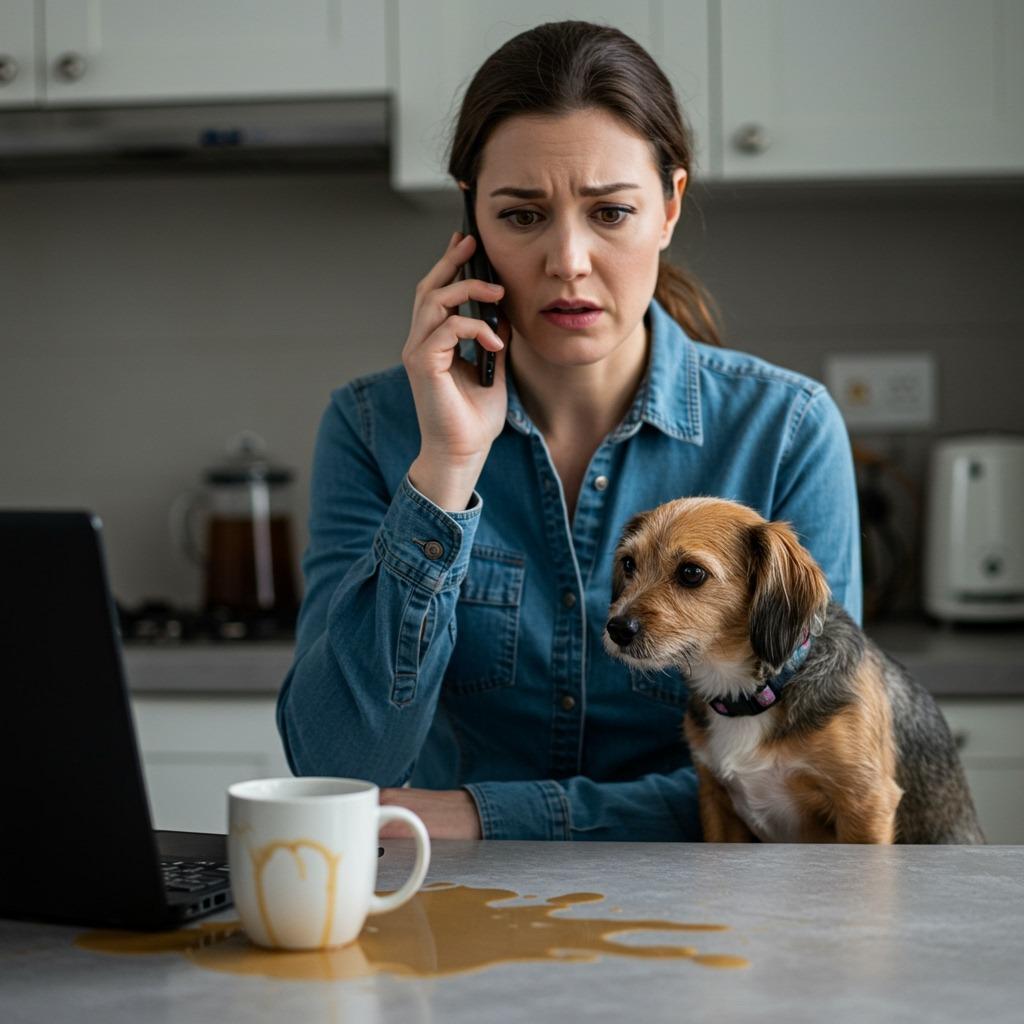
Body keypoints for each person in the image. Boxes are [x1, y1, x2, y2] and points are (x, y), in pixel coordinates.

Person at [275, 21, 862, 841]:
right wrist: (446, 468)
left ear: (670, 207)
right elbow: (339, 763)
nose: (569, 259)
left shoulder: (786, 431)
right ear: (471, 224)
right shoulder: (374, 428)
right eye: (522, 216)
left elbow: (804, 788)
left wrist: (485, 814)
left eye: (611, 212)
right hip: (452, 909)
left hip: (710, 922)